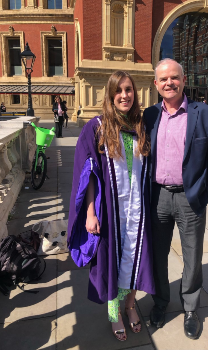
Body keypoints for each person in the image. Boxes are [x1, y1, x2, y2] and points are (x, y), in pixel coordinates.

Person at [66, 70, 155, 342]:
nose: (124, 95)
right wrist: (90, 213)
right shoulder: (96, 127)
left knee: (135, 261)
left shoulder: (140, 126)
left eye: (128, 90)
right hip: (110, 212)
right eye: (119, 91)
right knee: (111, 263)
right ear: (110, 95)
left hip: (137, 210)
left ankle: (130, 307)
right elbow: (87, 174)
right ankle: (114, 314)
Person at [143, 58, 208, 340]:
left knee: (193, 256)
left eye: (174, 77)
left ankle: (190, 308)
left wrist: (207, 191)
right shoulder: (148, 116)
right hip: (158, 198)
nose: (169, 83)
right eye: (163, 79)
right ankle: (161, 303)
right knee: (157, 255)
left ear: (184, 80)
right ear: (156, 84)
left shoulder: (206, 114)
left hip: (191, 199)